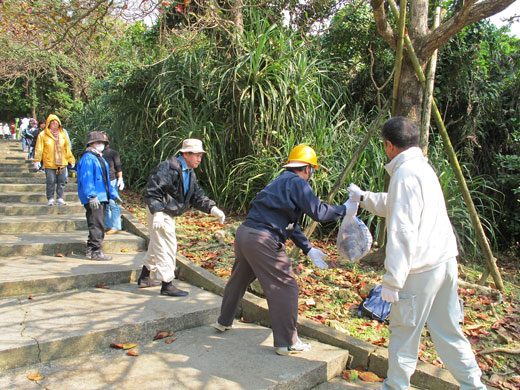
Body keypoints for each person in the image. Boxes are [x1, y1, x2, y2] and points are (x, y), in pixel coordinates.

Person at [348, 117, 485, 390]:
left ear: (389, 145)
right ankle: (474, 386)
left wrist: (392, 281)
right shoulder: (422, 168)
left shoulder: (405, 174)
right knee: (448, 333)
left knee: (404, 333)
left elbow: (403, 230)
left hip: (420, 270)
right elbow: (396, 204)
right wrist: (364, 197)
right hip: (444, 263)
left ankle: (395, 386)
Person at [215, 145, 359, 356]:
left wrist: (308, 248)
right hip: (263, 240)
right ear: (308, 168)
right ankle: (287, 343)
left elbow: (290, 225)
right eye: (312, 170)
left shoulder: (279, 181)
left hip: (245, 234)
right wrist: (345, 209)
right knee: (287, 286)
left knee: (238, 280)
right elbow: (319, 212)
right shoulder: (298, 183)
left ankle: (223, 321)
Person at [137, 138, 226, 297]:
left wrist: (213, 209)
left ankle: (144, 277)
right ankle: (167, 283)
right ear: (186, 154)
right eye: (197, 155)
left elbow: (197, 196)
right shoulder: (168, 167)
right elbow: (153, 190)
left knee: (157, 244)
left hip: (168, 212)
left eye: (201, 155)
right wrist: (157, 212)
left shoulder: (189, 173)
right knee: (167, 246)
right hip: (160, 211)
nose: (199, 159)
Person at [77, 131, 119, 261]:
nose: (100, 144)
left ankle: (90, 248)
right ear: (91, 144)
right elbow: (87, 178)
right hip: (96, 197)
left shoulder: (98, 157)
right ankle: (96, 251)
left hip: (103, 196)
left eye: (102, 142)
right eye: (98, 142)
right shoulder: (89, 158)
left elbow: (106, 179)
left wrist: (113, 194)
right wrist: (92, 195)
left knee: (96, 223)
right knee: (97, 224)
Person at [33, 114, 75, 205]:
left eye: (56, 123)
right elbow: (39, 148)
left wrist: (71, 159)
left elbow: (67, 148)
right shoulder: (42, 135)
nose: (54, 125)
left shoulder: (62, 135)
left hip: (62, 162)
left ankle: (60, 197)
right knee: (50, 181)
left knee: (62, 181)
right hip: (49, 162)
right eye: (52, 123)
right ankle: (50, 198)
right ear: (48, 124)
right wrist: (37, 160)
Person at [101, 133, 124, 234]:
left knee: (113, 203)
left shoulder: (113, 153)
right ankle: (108, 225)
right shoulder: (97, 153)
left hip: (111, 180)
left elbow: (118, 167)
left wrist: (120, 179)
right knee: (105, 204)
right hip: (101, 181)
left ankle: (116, 226)